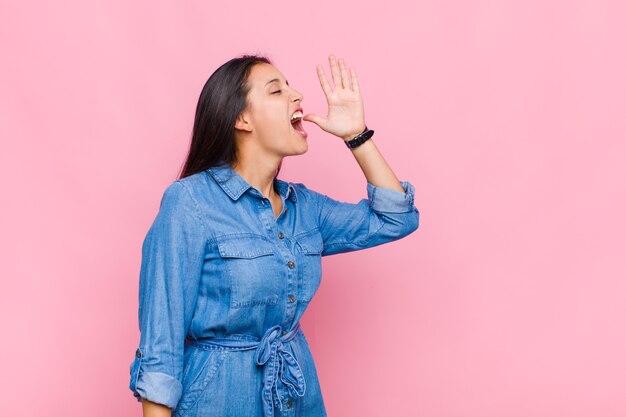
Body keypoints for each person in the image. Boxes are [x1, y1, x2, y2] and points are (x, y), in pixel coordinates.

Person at [128, 53, 420, 417]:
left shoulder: (306, 208)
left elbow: (395, 218)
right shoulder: (189, 202)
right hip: (216, 400)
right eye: (276, 90)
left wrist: (356, 136)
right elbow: (161, 344)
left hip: (296, 395)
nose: (297, 95)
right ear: (242, 118)